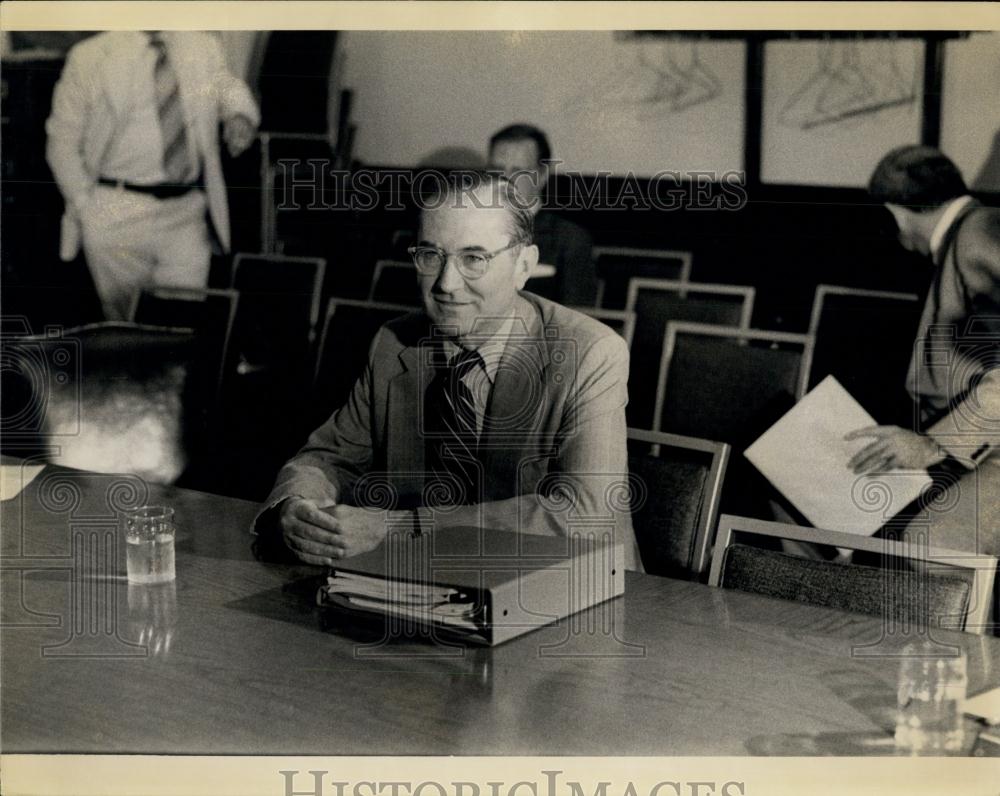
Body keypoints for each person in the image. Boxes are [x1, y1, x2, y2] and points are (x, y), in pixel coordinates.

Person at [256, 171, 641, 571]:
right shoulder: (394, 344)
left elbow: (585, 515)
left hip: (572, 590)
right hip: (433, 584)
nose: (446, 283)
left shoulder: (590, 353)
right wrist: (297, 505)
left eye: (473, 258)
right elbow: (330, 457)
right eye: (430, 255)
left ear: (524, 265)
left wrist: (400, 527)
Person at [46, 31, 260, 321]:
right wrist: (87, 207)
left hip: (185, 213)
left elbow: (227, 86)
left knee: (182, 327)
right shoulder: (91, 56)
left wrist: (240, 115)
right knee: (127, 331)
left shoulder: (201, 46)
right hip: (116, 212)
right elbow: (61, 144)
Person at [848, 145, 1000, 553]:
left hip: (985, 451)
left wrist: (933, 445)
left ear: (894, 213)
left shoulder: (976, 236)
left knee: (929, 548)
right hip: (968, 446)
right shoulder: (971, 233)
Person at [488, 124, 599, 306]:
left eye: (518, 171)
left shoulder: (569, 240)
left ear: (542, 175)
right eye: (496, 170)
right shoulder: (466, 232)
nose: (504, 181)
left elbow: (577, 322)